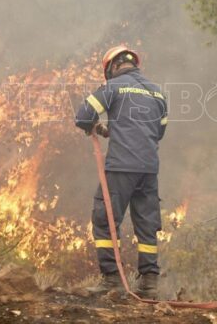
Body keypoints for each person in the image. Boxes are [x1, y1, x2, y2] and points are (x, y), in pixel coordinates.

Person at [75, 45, 168, 299]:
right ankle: (149, 284)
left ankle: (112, 280)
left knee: (105, 220)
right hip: (149, 169)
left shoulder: (113, 87)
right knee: (147, 225)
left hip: (121, 167)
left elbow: (83, 116)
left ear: (112, 67)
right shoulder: (158, 93)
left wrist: (96, 126)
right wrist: (113, 130)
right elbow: (158, 132)